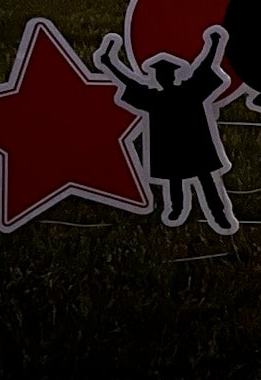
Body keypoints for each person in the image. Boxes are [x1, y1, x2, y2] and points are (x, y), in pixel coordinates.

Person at [95, 27, 235, 235]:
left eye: (163, 74)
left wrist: (214, 45)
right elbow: (130, 83)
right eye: (160, 75)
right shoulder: (171, 96)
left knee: (204, 180)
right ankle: (179, 210)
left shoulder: (181, 94)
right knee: (177, 179)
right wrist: (109, 63)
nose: (161, 77)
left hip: (194, 144)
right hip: (177, 147)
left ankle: (218, 215)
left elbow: (205, 67)